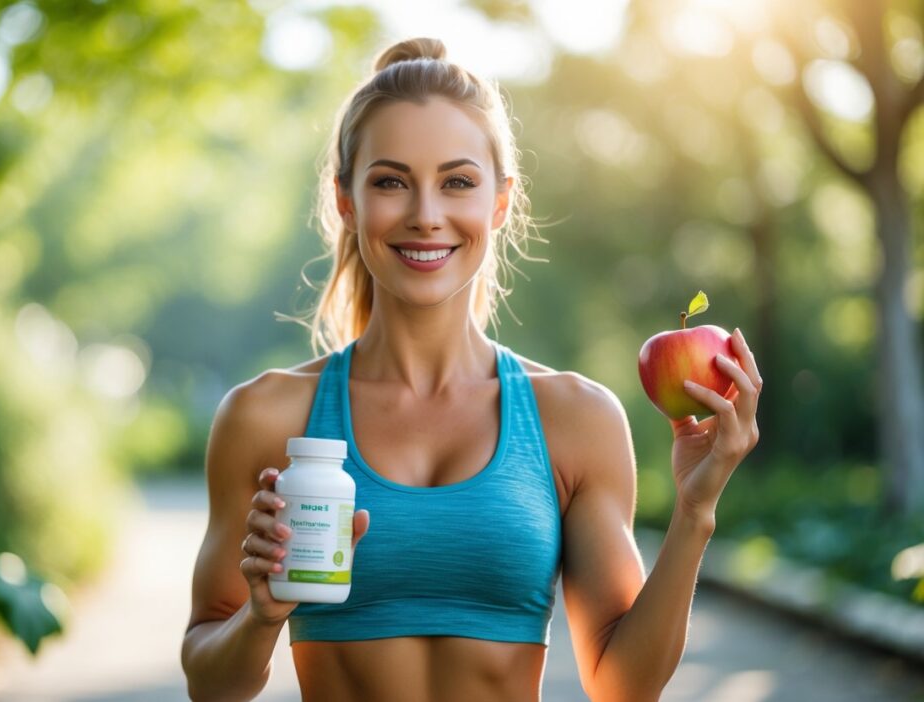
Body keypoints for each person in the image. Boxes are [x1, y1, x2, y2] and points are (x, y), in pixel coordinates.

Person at [180, 37, 762, 702]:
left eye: (457, 182)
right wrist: (261, 616)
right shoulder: (267, 418)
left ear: (501, 202)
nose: (426, 216)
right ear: (346, 201)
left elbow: (624, 686)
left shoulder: (576, 418)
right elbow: (211, 685)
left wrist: (695, 509)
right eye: (390, 182)